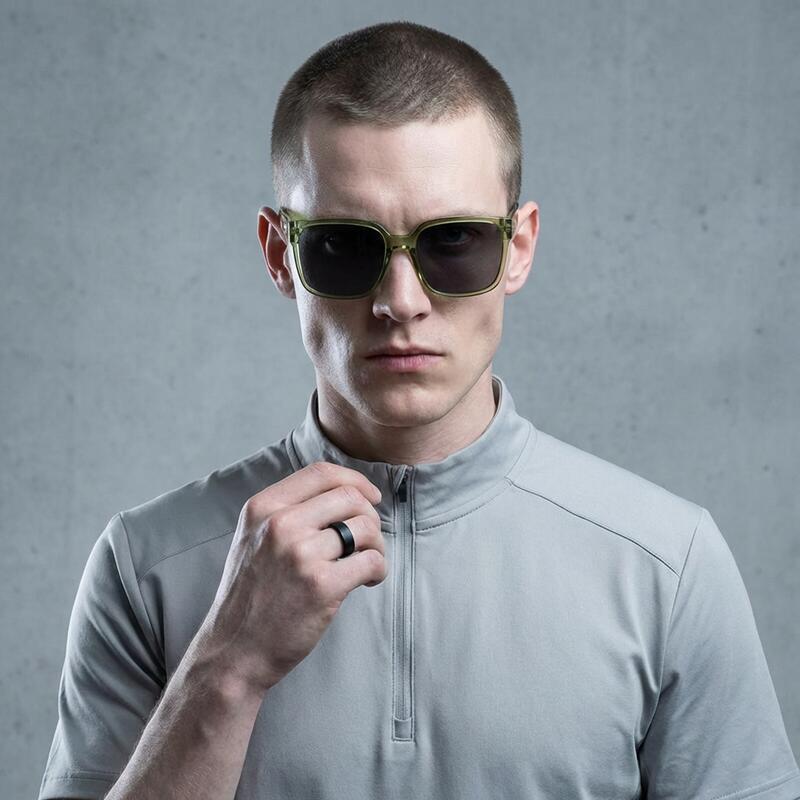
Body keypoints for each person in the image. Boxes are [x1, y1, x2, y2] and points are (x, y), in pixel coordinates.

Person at [38, 20, 799, 800]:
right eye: (344, 245)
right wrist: (227, 668)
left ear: (518, 248)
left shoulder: (665, 564)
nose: (400, 302)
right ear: (279, 255)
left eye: (454, 241)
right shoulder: (146, 566)